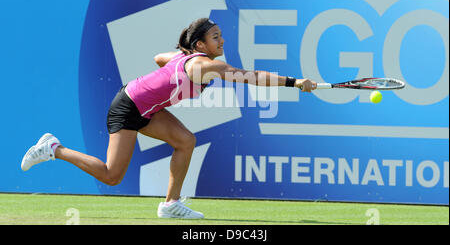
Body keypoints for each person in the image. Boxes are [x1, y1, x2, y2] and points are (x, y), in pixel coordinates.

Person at [21, 18, 317, 219]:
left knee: (186, 141)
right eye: (216, 38)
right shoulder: (204, 65)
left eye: (221, 36)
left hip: (145, 107)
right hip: (127, 107)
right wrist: (294, 82)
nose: (222, 41)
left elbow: (159, 59)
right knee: (112, 176)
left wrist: (174, 66)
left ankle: (170, 204)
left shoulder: (189, 59)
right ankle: (53, 149)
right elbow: (252, 77)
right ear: (200, 45)